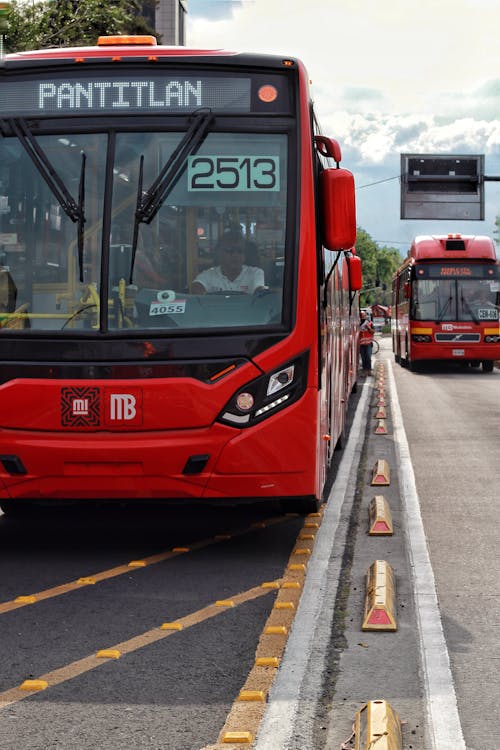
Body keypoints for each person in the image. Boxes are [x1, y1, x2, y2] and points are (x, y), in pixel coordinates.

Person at [191, 229, 265, 295]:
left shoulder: (255, 273)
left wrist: (260, 292)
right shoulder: (210, 274)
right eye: (230, 251)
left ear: (245, 255)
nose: (235, 255)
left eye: (240, 251)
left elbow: (259, 290)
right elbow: (197, 286)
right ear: (219, 254)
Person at [359, 310, 375, 374]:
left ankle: (369, 370)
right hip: (361, 344)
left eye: (363, 315)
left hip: (368, 344)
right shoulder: (357, 323)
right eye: (361, 315)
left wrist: (368, 328)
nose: (363, 316)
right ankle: (364, 370)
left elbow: (373, 331)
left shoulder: (369, 323)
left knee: (368, 357)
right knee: (363, 358)